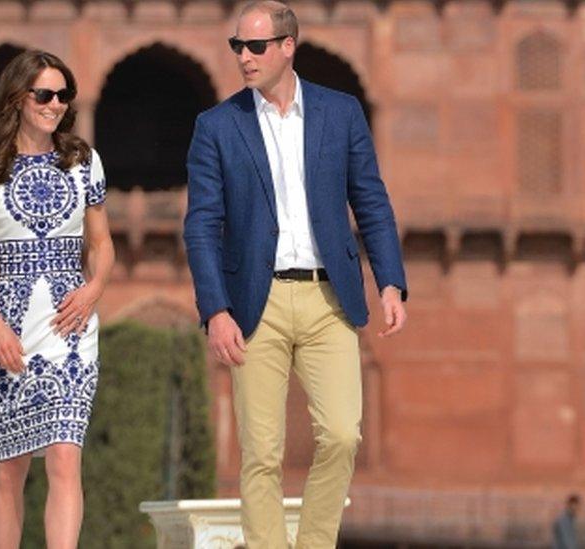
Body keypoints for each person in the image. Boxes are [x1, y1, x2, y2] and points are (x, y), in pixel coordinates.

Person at [183, 2, 408, 546]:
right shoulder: (217, 125)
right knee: (260, 452)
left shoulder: (341, 112)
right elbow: (200, 225)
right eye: (237, 46)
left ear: (288, 46)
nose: (244, 57)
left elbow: (370, 201)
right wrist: (215, 309)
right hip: (252, 302)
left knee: (341, 435)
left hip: (329, 297)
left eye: (256, 46)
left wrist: (391, 281)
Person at [0, 49, 114, 549]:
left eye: (63, 95)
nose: (55, 105)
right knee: (10, 467)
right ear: (18, 97)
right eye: (45, 94)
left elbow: (102, 245)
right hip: (10, 330)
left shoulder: (83, 160)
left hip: (71, 326)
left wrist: (93, 289)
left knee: (67, 455)